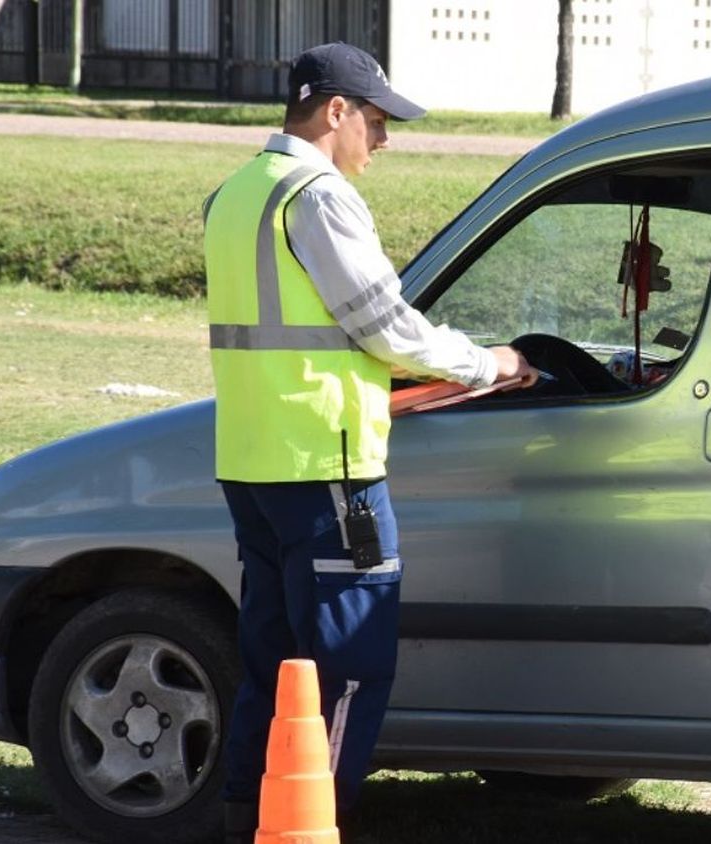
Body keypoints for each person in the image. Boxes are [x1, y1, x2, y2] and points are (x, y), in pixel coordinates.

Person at [202, 42, 537, 842]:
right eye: (378, 122)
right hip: (329, 468)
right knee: (349, 670)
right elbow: (384, 324)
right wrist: (488, 362)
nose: (384, 141)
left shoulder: (236, 192)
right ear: (336, 111)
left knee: (273, 669)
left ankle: (249, 822)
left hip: (253, 463)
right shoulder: (317, 197)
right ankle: (317, 825)